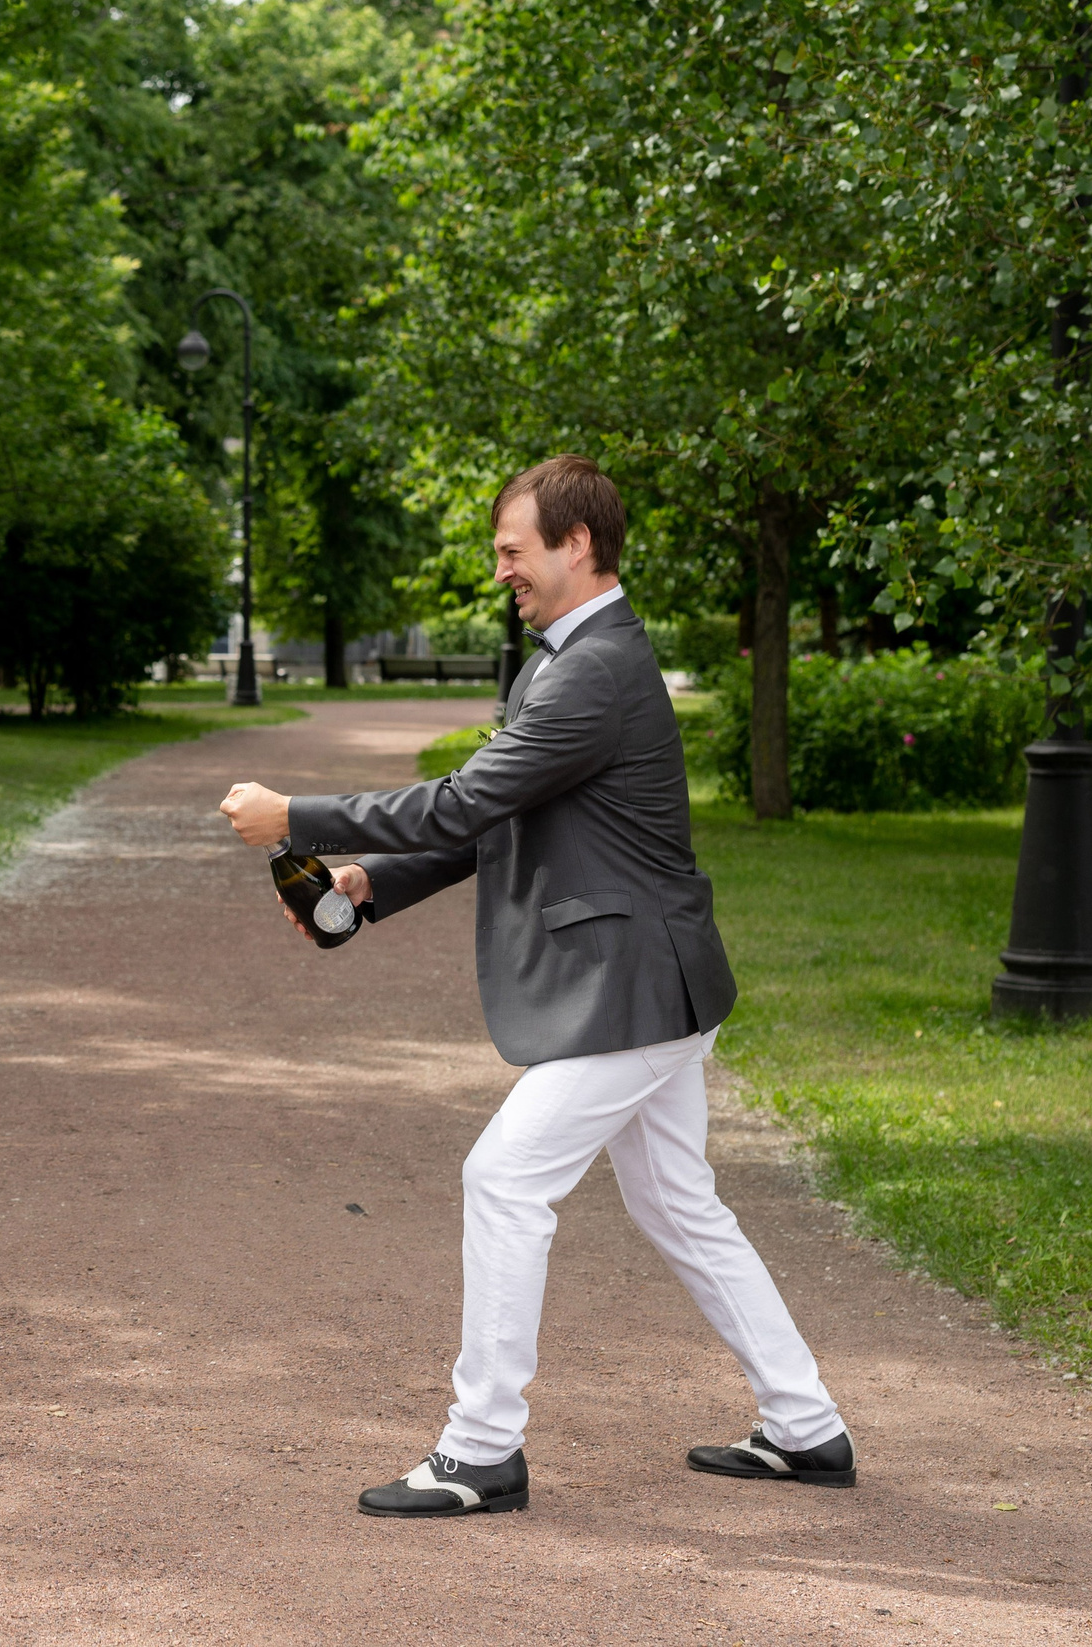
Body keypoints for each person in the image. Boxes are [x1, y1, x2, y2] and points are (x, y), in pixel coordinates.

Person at [218, 456, 852, 1517]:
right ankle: (805, 1423)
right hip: (648, 977)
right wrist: (370, 884)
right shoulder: (570, 660)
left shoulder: (593, 668)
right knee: (678, 1203)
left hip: (629, 985)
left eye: (514, 548)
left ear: (577, 544)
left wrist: (300, 815)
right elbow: (500, 816)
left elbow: (464, 796)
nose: (500, 567)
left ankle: (481, 1449)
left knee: (505, 1179)